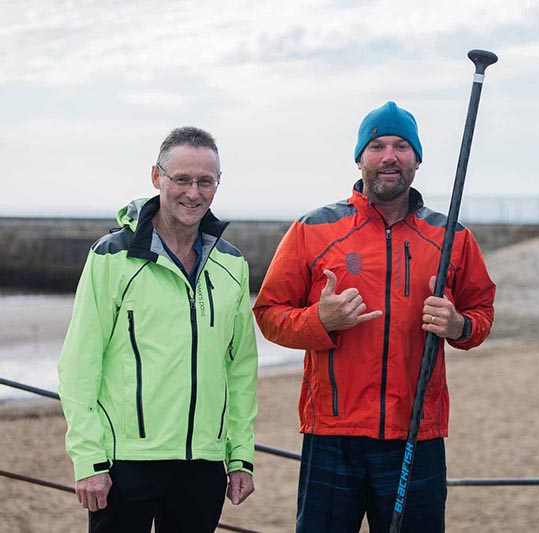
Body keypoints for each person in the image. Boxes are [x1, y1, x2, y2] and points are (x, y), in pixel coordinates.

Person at [253, 101, 495, 532]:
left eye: (401, 146)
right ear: (359, 157)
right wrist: (320, 321)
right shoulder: (313, 229)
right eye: (377, 145)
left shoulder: (452, 236)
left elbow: (482, 314)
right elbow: (269, 315)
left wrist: (458, 326)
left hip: (416, 433)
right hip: (332, 433)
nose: (389, 156)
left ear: (417, 160)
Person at [57, 126, 259, 533]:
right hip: (125, 463)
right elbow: (79, 364)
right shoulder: (112, 257)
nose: (193, 193)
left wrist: (240, 456)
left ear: (218, 183)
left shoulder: (232, 264)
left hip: (203, 464)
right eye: (181, 179)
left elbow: (239, 370)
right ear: (157, 178)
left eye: (206, 181)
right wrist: (89, 460)